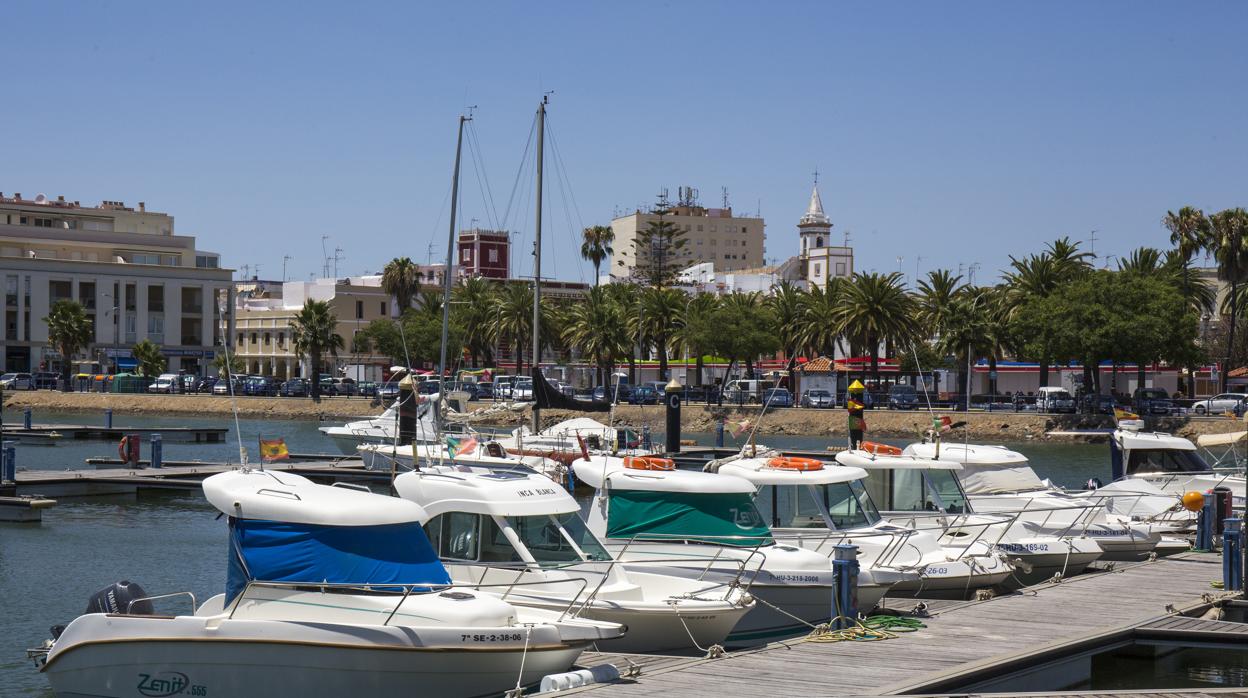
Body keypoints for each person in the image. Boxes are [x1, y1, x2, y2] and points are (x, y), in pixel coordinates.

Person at [846, 380, 867, 449]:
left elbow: (857, 407)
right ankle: (855, 446)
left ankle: (856, 446)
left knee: (856, 434)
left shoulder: (851, 403)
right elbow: (856, 407)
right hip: (854, 420)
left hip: (855, 420)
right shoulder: (851, 403)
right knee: (856, 434)